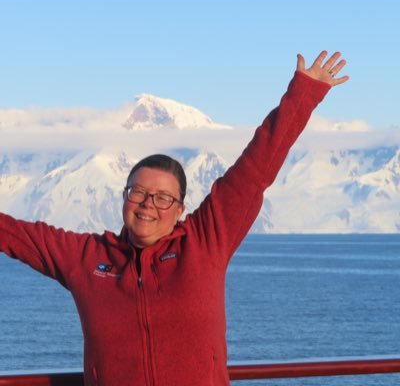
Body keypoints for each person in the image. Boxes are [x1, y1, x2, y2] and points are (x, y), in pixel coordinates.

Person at [0, 51, 348, 386]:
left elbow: (257, 168)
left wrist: (303, 93)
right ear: (125, 196)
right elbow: (15, 235)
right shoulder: (87, 259)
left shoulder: (205, 241)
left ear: (180, 208)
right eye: (138, 192)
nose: (148, 205)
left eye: (163, 197)